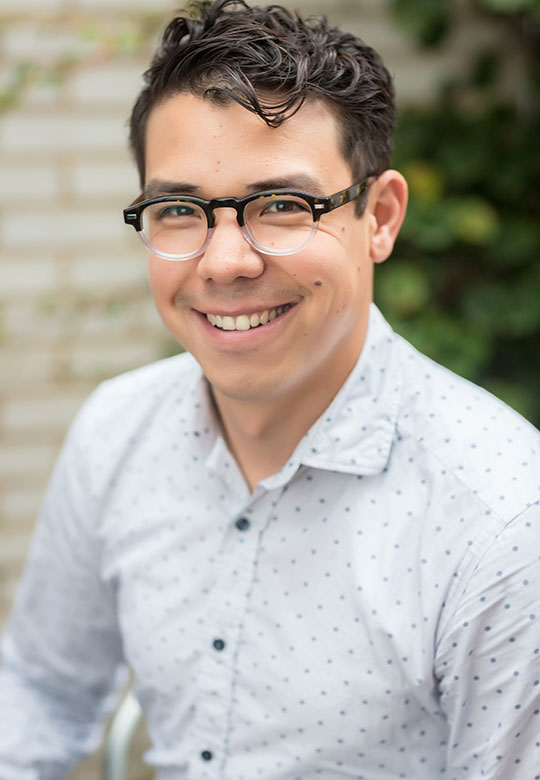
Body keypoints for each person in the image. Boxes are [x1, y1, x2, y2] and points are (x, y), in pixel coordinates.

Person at [1, 0, 539, 777]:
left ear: (379, 217)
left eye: (283, 205)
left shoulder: (502, 520)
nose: (224, 263)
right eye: (179, 210)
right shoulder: (115, 432)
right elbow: (41, 698)